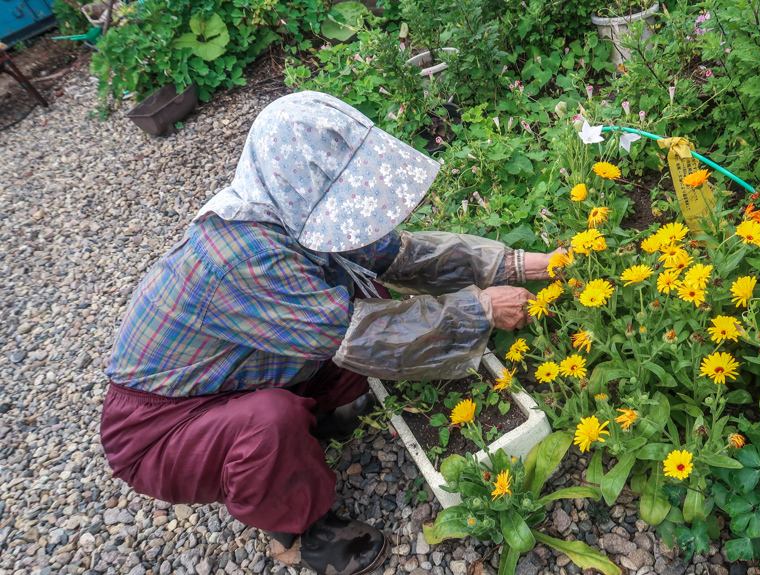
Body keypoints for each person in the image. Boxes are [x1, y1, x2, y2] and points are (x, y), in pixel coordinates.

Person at [101, 92, 554, 575]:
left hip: (233, 377)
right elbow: (365, 335)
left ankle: (318, 422)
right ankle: (298, 534)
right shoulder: (249, 256)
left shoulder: (288, 210)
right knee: (269, 420)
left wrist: (521, 265)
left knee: (366, 290)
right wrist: (482, 310)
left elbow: (402, 258)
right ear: (303, 182)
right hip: (161, 427)